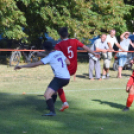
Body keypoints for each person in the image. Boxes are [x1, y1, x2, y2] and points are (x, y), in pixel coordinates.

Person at [37, 27, 100, 112]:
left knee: (57, 83)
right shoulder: (75, 41)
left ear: (60, 35)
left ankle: (64, 103)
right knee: (57, 85)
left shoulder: (59, 45)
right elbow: (86, 48)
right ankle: (53, 103)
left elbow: (52, 54)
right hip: (74, 67)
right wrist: (94, 53)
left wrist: (40, 54)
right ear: (68, 34)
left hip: (66, 67)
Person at [14, 41, 70, 116]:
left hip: (59, 78)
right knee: (54, 91)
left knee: (47, 95)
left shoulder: (49, 57)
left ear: (44, 49)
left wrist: (21, 66)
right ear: (52, 46)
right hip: (67, 77)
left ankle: (52, 112)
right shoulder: (59, 53)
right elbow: (68, 62)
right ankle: (50, 106)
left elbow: (35, 64)